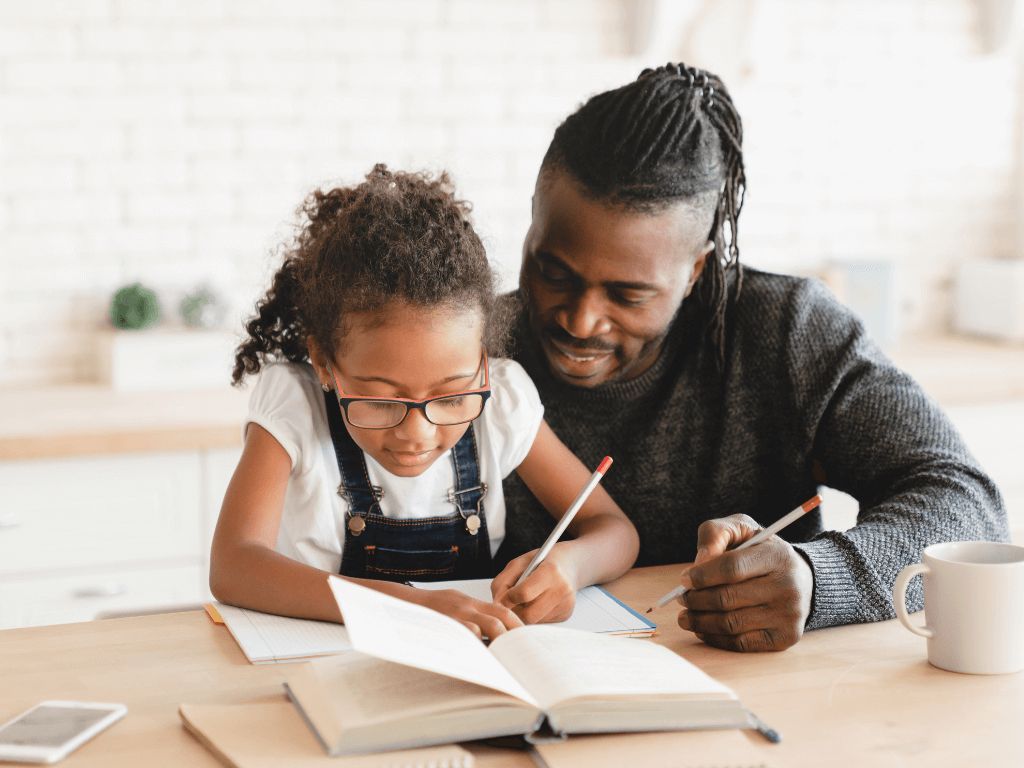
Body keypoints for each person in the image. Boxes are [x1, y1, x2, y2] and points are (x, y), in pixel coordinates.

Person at [497, 63, 1010, 652]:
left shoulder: (786, 332)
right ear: (532, 222)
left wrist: (819, 577)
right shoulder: (471, 348)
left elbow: (965, 503)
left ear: (695, 271)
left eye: (627, 294)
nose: (580, 320)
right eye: (552, 271)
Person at [210, 164, 639, 639]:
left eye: (452, 395)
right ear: (325, 362)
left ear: (482, 362)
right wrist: (413, 606)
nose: (416, 434)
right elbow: (234, 565)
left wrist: (571, 566)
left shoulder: (501, 402)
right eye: (380, 399)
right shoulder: (295, 406)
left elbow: (615, 530)